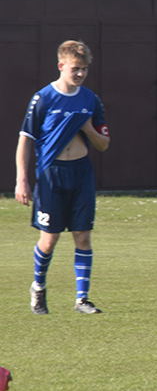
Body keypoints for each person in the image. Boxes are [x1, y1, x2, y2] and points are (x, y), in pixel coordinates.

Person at [15, 40, 110, 315]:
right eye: (75, 68)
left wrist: (89, 130)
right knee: (49, 239)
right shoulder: (43, 98)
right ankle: (38, 288)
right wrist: (22, 179)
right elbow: (25, 139)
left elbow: (104, 144)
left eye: (84, 69)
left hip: (81, 174)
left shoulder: (90, 100)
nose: (80, 74)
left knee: (82, 236)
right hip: (51, 176)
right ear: (61, 66)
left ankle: (82, 299)